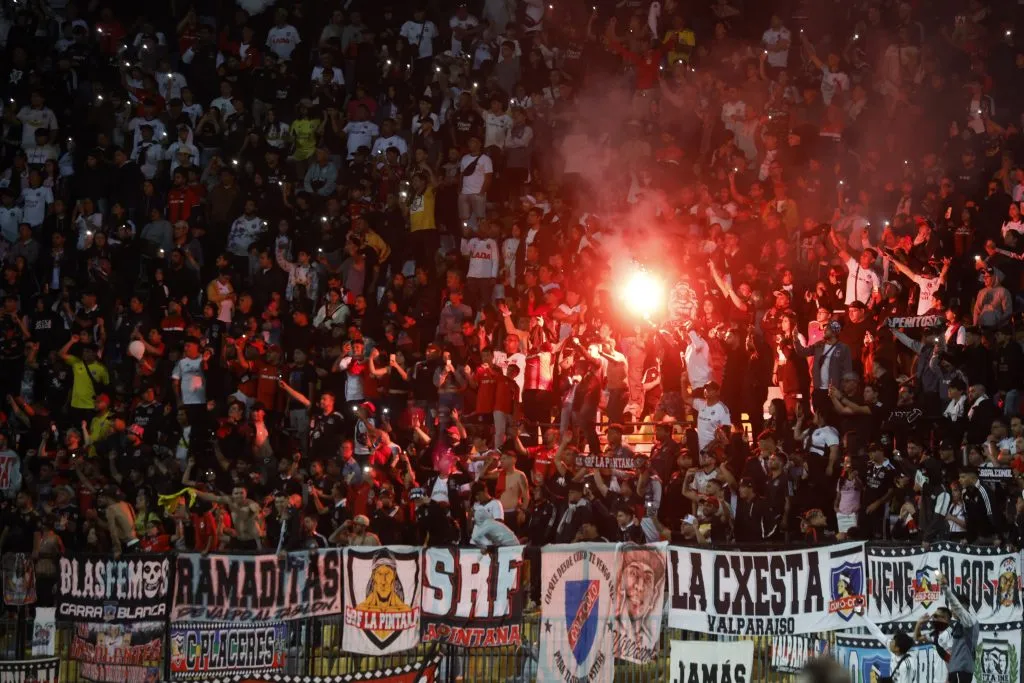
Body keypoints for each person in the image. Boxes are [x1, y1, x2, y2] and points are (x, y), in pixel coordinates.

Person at [913, 571, 979, 683]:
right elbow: (917, 638)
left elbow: (949, 657)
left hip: (961, 670)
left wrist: (945, 588)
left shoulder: (969, 621)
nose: (952, 610)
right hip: (955, 672)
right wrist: (919, 623)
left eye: (953, 608)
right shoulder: (950, 629)